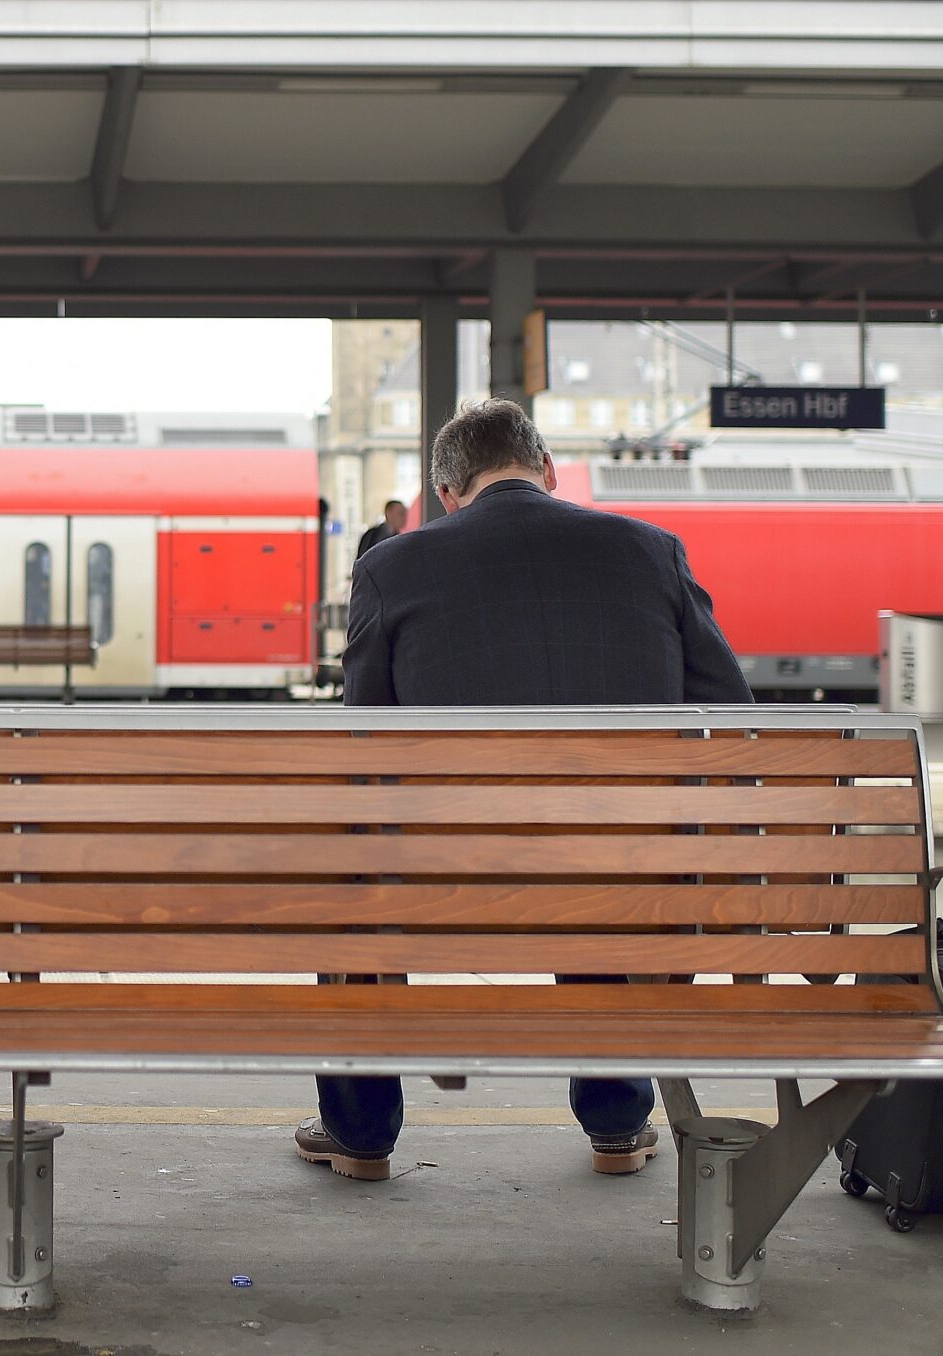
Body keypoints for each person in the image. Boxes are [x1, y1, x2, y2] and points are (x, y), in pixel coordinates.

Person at [298, 399, 753, 1181]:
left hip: (445, 888)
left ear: (448, 492)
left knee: (353, 883)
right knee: (607, 866)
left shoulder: (390, 567)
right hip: (626, 878)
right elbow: (736, 718)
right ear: (547, 471)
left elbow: (361, 744)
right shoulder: (652, 552)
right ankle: (615, 1120)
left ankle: (363, 1137)